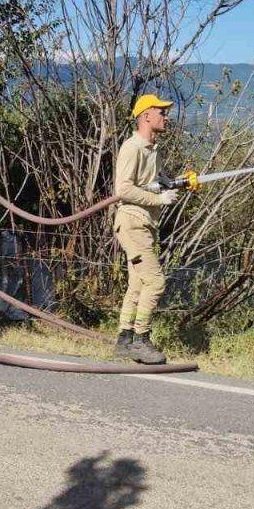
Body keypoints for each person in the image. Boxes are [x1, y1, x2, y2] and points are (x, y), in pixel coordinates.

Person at [112, 93, 180, 364]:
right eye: (160, 111)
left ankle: (124, 340)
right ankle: (141, 340)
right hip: (132, 223)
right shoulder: (133, 148)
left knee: (138, 283)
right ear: (146, 116)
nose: (165, 116)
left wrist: (175, 183)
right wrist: (158, 199)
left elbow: (156, 180)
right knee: (155, 281)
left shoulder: (154, 149)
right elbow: (124, 189)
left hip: (146, 224)